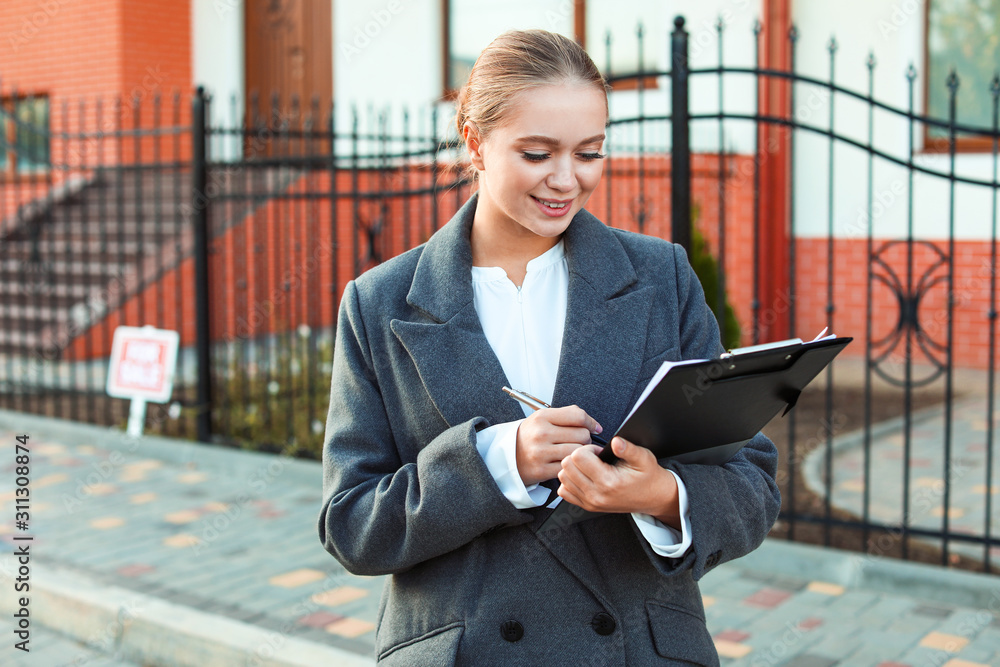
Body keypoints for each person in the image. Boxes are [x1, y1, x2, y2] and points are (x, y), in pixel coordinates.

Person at [319, 28, 780, 666]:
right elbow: (352, 526)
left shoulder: (659, 278)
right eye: (537, 154)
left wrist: (658, 495)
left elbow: (750, 481)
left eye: (589, 152)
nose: (566, 180)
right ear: (475, 143)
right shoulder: (380, 304)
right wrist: (494, 460)